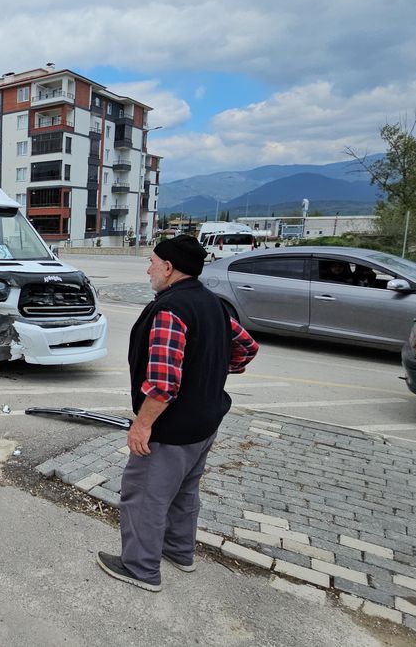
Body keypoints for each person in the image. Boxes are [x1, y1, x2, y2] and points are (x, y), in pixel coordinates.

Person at [98, 234, 258, 592]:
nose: (148, 268)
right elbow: (246, 348)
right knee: (185, 490)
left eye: (152, 262)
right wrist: (209, 369)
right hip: (206, 422)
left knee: (143, 495)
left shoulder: (171, 311)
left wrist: (142, 426)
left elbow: (163, 383)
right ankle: (178, 551)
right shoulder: (212, 303)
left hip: (172, 428)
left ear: (169, 268)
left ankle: (140, 568)